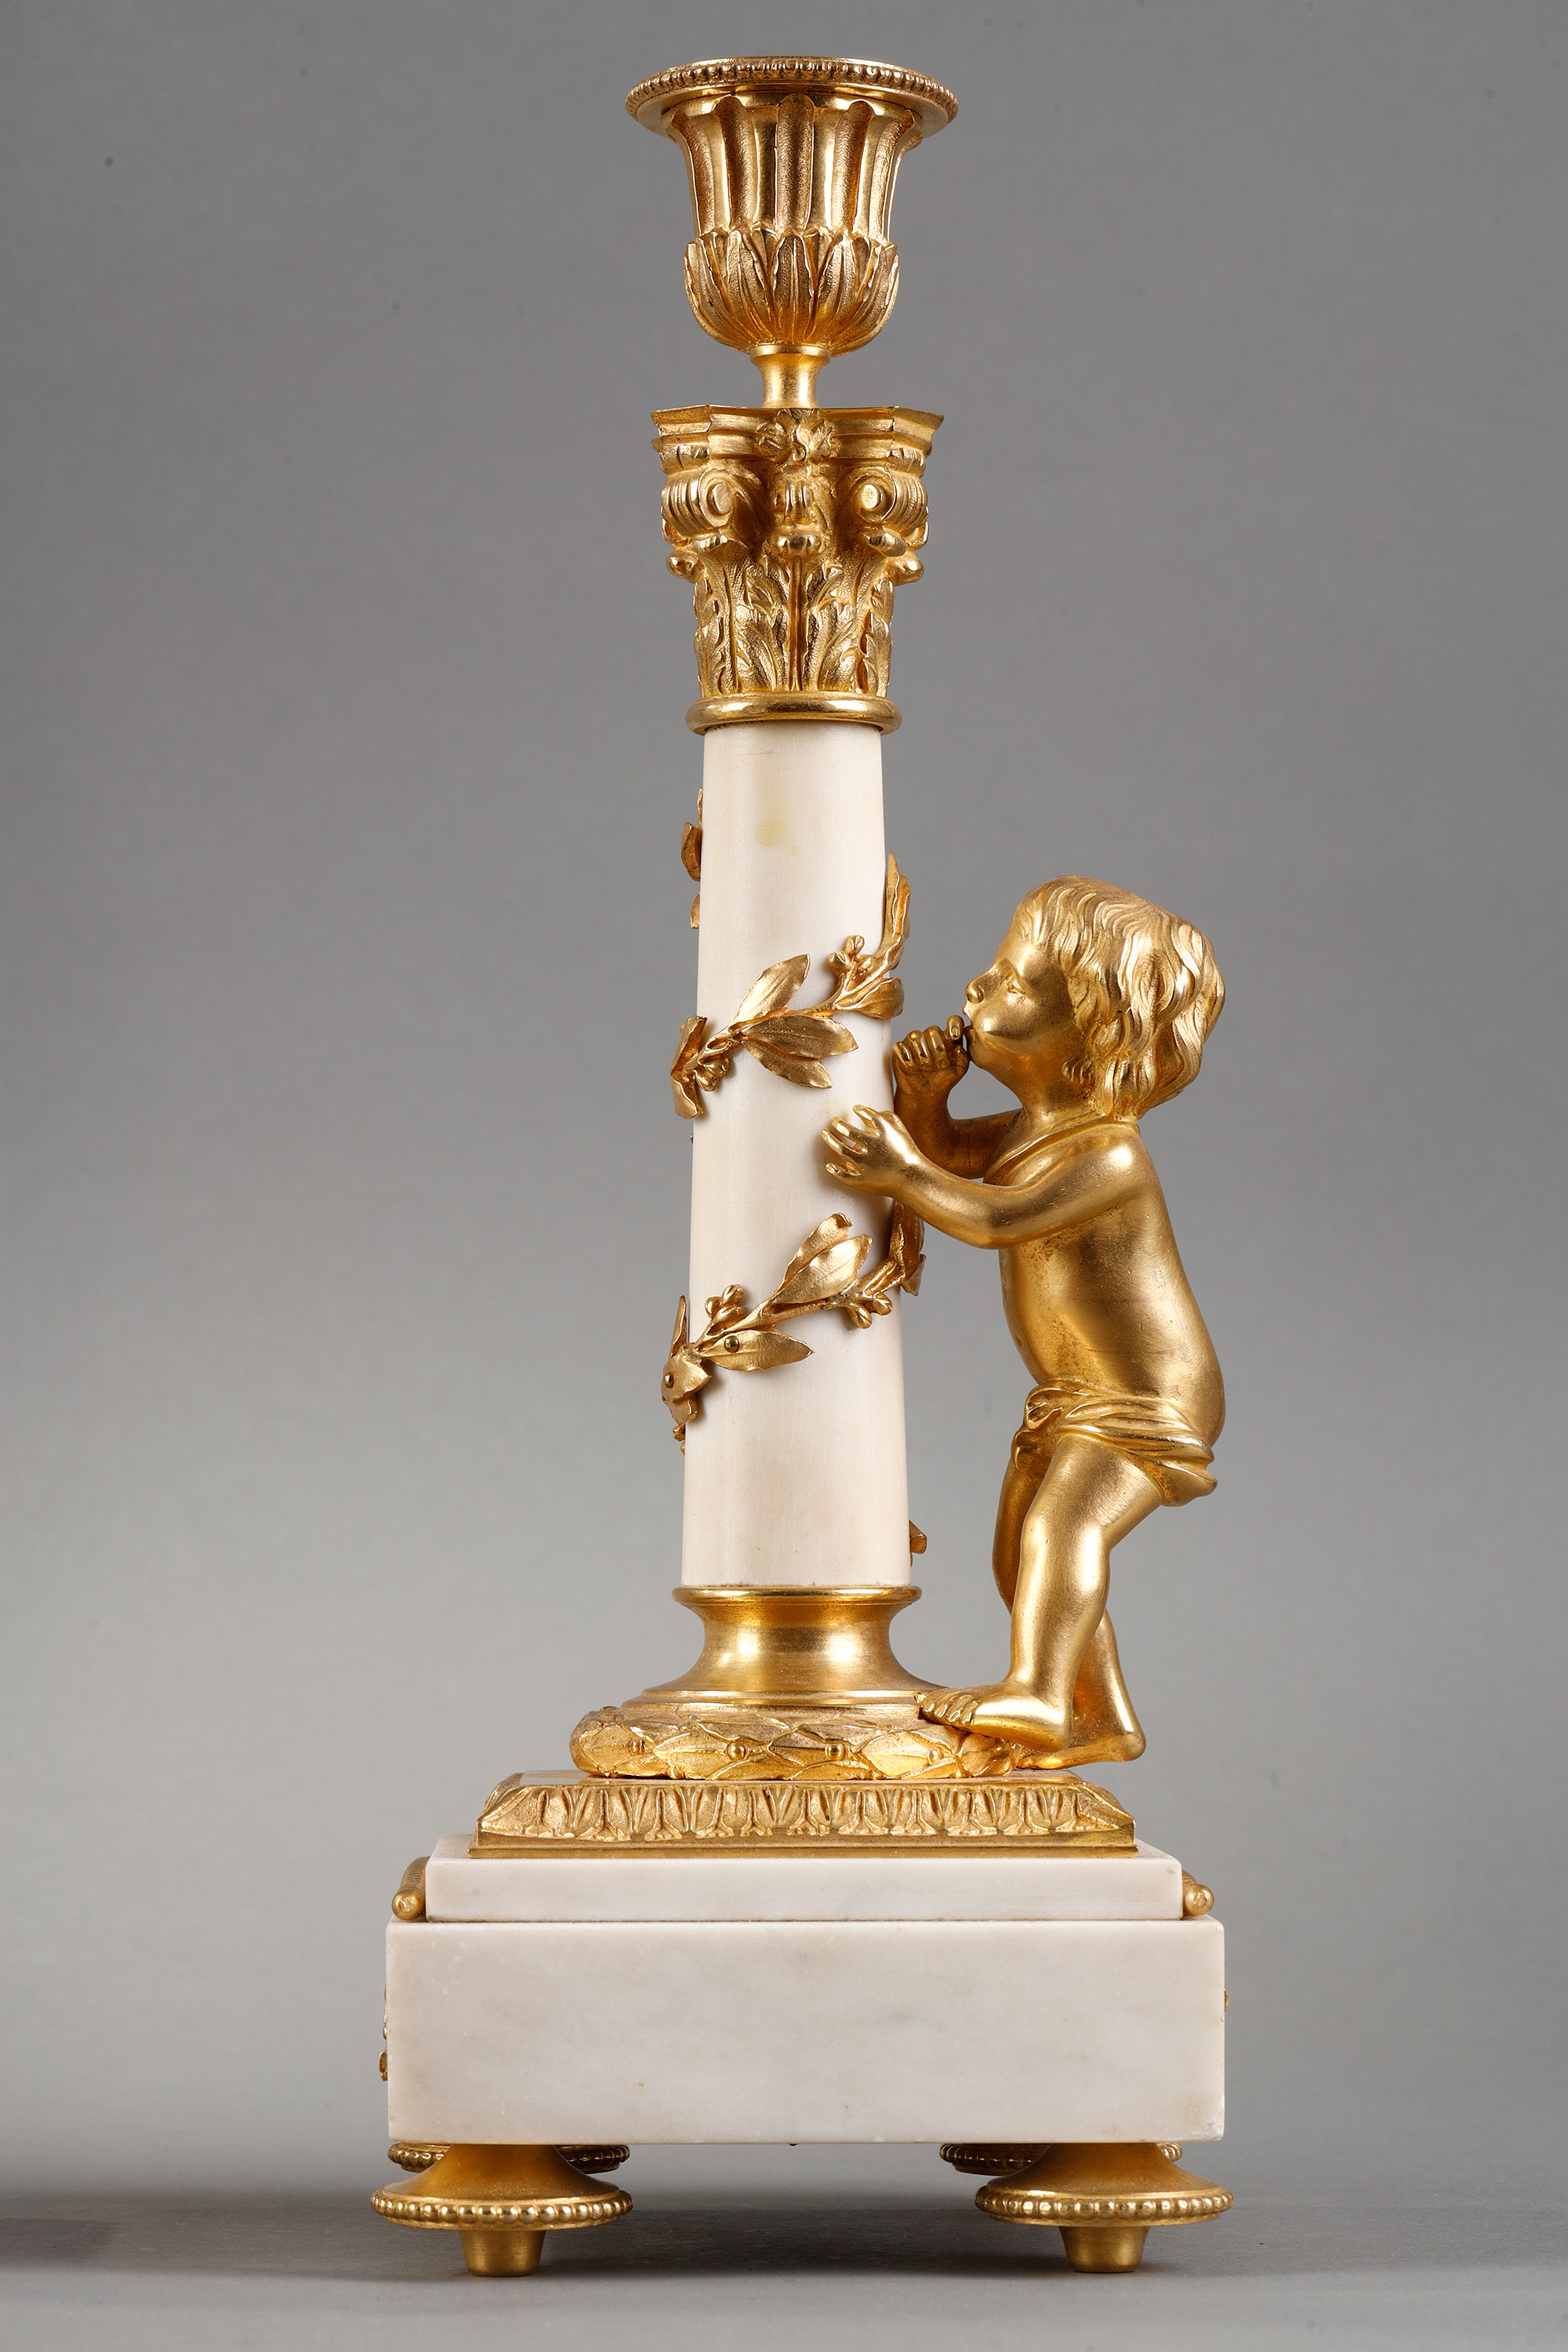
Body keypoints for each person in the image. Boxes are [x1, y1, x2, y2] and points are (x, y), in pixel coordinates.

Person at [822, 877, 1225, 1764]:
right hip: (1074, 1392)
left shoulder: (1108, 1156)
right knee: (1017, 1558)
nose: (977, 986)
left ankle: (1040, 1695)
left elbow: (993, 1217)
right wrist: (924, 1104)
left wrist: (899, 1171)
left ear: (1090, 1041)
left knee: (1062, 1531)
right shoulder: (1025, 1129)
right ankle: (1100, 1718)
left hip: (1147, 1397)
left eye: (1011, 983)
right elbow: (952, 1156)